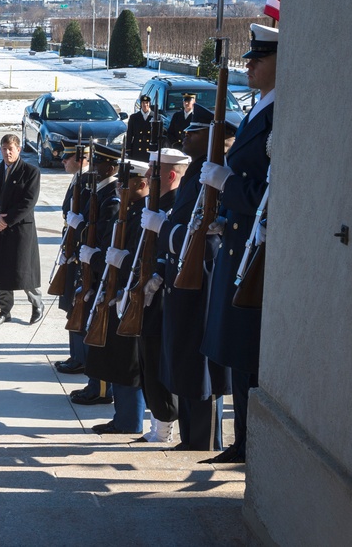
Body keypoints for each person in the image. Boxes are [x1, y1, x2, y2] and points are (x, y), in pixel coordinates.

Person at [199, 23, 277, 464]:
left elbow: (269, 191)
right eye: (249, 58)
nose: (249, 65)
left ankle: (249, 443)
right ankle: (241, 441)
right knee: (238, 349)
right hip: (237, 240)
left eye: (258, 58)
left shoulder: (278, 113)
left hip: (253, 246)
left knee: (248, 348)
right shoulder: (258, 109)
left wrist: (227, 185)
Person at [143, 109, 233, 452]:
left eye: (193, 133)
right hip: (181, 275)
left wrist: (163, 228)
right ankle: (190, 437)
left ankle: (205, 439)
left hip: (203, 280)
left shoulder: (215, 175)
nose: (185, 137)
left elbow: (207, 240)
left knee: (202, 366)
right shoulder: (198, 172)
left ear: (212, 138)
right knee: (184, 360)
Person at [86, 157, 149, 435]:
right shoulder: (132, 211)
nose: (121, 188)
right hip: (117, 294)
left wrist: (113, 263)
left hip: (130, 298)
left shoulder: (143, 214)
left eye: (128, 183)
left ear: (142, 184)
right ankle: (122, 418)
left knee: (128, 363)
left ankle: (129, 421)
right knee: (117, 359)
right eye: (121, 183)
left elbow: (138, 261)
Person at [131, 148, 188, 444]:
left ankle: (164, 426)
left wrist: (157, 276)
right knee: (147, 359)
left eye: (153, 172)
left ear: (169, 175)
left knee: (156, 358)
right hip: (148, 291)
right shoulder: (157, 204)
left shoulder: (175, 205)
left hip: (163, 295)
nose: (147, 177)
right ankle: (156, 424)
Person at [68, 144, 120, 406]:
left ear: (110, 168)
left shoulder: (112, 199)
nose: (94, 169)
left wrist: (78, 229)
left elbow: (99, 237)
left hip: (99, 271)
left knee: (96, 330)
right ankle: (95, 384)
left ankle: (99, 388)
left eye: (99, 164)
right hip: (90, 267)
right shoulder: (101, 191)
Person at [0, 134, 43, 326]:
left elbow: (28, 202)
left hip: (20, 229)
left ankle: (37, 305)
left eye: (11, 149)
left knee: (24, 271)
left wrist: (6, 221)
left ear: (18, 149)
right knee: (1, 274)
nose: (7, 153)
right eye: (4, 148)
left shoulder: (31, 171)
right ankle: (4, 310)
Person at [54, 142, 89, 375]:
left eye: (68, 158)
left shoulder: (88, 182)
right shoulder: (78, 180)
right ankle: (75, 355)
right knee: (71, 305)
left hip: (81, 253)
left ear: (82, 160)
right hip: (72, 249)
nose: (63, 162)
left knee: (78, 306)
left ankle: (82, 359)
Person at [126, 94, 154, 160]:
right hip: (137, 150)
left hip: (150, 151)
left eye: (147, 103)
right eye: (143, 103)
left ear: (149, 104)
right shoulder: (134, 117)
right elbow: (129, 135)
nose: (145, 105)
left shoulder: (155, 117)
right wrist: (128, 149)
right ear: (141, 104)